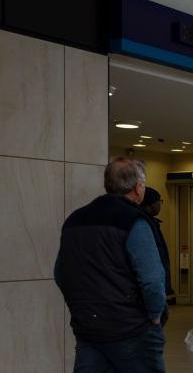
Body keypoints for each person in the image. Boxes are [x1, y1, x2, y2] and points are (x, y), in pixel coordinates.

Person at [54, 157, 166, 372]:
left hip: (88, 328)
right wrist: (154, 316)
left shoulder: (74, 220)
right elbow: (152, 280)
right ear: (138, 188)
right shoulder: (134, 221)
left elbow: (60, 274)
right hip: (132, 329)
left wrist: (82, 308)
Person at [140, 187, 174, 320]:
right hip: (151, 292)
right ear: (150, 204)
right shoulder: (144, 225)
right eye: (159, 201)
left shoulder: (152, 223)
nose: (160, 204)